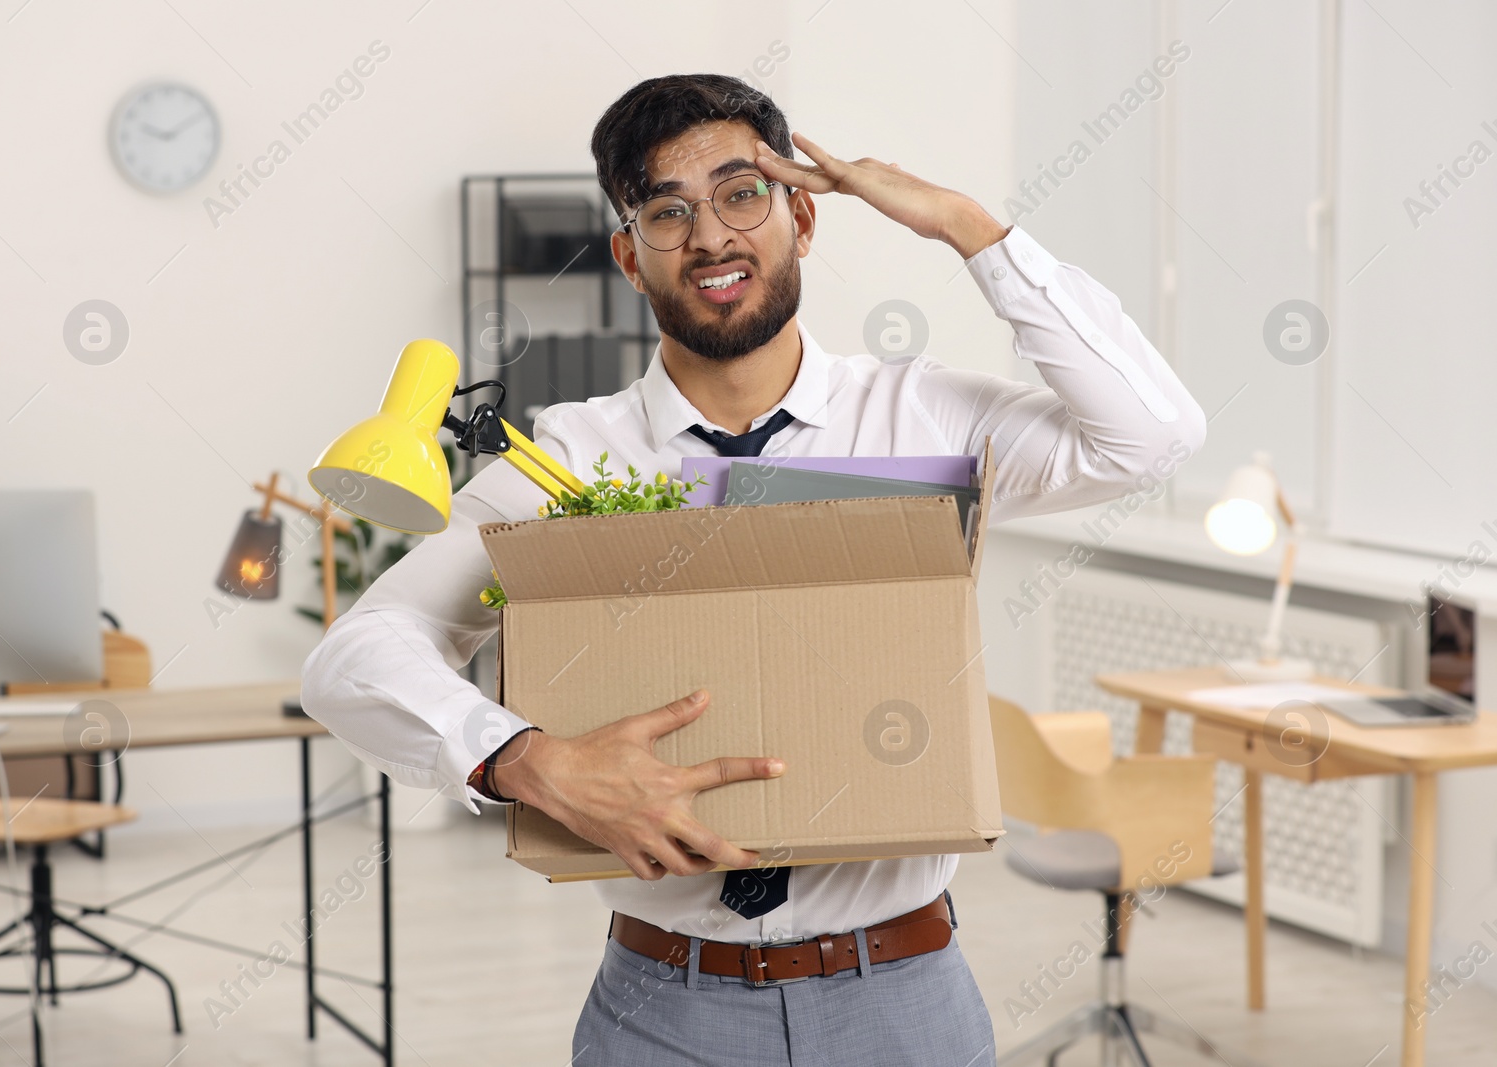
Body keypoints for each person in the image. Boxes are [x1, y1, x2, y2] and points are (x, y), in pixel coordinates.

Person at [301, 73, 1207, 1066]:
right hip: (662, 1007)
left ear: (802, 215)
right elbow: (354, 656)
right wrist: (527, 759)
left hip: (904, 1002)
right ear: (628, 255)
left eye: (742, 193)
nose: (710, 236)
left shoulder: (927, 417)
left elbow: (1150, 437)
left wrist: (964, 226)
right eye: (666, 211)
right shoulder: (565, 463)